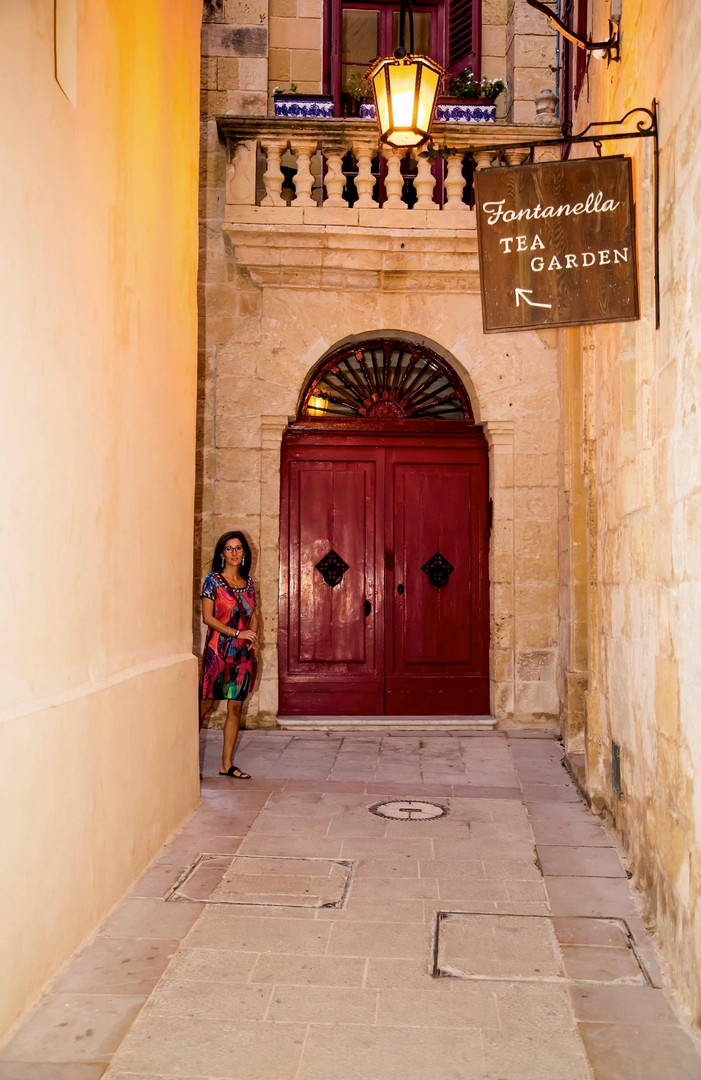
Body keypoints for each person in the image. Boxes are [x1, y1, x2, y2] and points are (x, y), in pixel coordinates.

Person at [199, 531, 259, 778]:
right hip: (217, 652)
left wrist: (252, 636)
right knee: (205, 706)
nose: (234, 553)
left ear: (244, 553)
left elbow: (253, 614)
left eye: (238, 548)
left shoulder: (249, 583)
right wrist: (237, 633)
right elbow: (208, 617)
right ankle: (187, 763)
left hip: (242, 655)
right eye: (229, 548)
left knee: (235, 707)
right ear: (221, 553)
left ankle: (226, 765)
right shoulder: (213, 581)